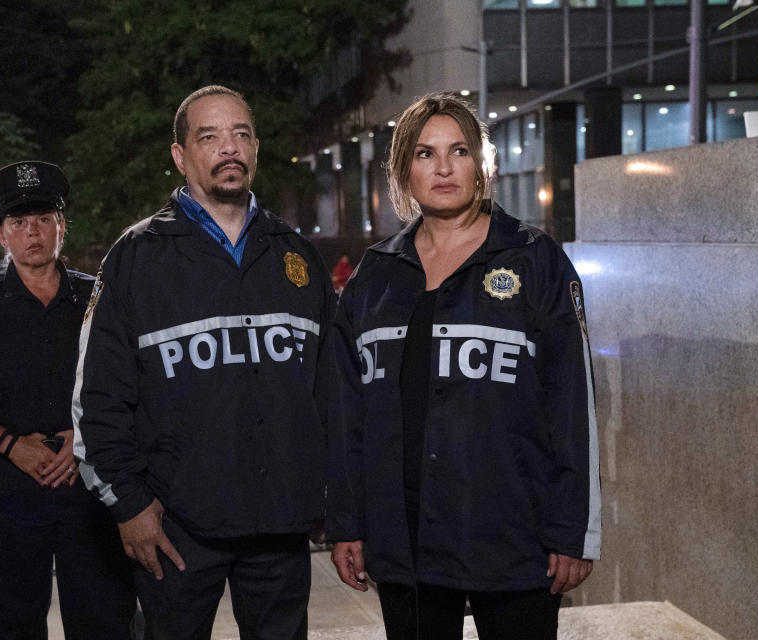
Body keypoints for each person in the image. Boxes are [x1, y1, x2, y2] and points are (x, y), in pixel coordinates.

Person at [325, 93, 601, 640]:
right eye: (426, 154)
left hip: (513, 536)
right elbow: (346, 418)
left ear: (482, 165)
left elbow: (573, 403)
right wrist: (346, 523)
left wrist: (574, 531)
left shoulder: (535, 260)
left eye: (459, 151)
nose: (444, 167)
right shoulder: (374, 277)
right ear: (405, 171)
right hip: (405, 541)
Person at [73, 85, 335, 640]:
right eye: (209, 136)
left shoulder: (297, 256)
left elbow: (331, 392)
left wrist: (328, 494)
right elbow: (96, 399)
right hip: (173, 525)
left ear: (257, 149)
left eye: (241, 134)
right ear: (180, 155)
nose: (228, 148)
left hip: (280, 525)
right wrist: (128, 506)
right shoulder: (136, 258)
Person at [0, 161, 136, 640]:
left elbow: (132, 386)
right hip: (1, 498)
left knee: (106, 621)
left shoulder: (99, 299)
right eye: (18, 222)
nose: (32, 232)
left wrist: (84, 440)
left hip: (90, 490)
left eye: (42, 219)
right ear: (1, 235)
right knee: (6, 626)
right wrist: (13, 445)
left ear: (61, 226)